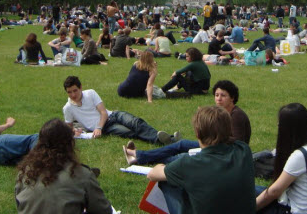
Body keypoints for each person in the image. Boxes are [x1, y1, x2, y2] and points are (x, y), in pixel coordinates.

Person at [147, 105, 256, 214]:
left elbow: (152, 175)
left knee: (167, 181)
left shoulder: (187, 165)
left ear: (197, 133)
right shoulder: (243, 150)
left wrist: (164, 167)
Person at [124, 80, 252, 166]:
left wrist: (212, 140)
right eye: (217, 95)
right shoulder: (222, 112)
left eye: (223, 95)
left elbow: (238, 143)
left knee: (182, 158)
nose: (218, 98)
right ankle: (139, 155)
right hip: (217, 148)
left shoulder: (236, 116)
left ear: (233, 97)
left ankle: (138, 158)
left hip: (227, 157)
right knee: (182, 144)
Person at [15, 118, 112, 214]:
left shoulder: (25, 171)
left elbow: (20, 205)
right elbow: (104, 210)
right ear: (70, 144)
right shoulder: (82, 174)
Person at [255, 103, 307, 213]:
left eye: (280, 125)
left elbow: (274, 191)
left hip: (293, 210)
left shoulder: (300, 156)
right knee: (250, 190)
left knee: (244, 195)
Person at [62, 76, 175, 144]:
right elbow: (68, 128)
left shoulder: (90, 93)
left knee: (135, 122)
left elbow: (103, 112)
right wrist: (74, 131)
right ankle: (165, 140)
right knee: (130, 132)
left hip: (112, 115)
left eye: (75, 90)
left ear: (81, 87)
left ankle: (166, 139)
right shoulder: (68, 108)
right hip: (107, 127)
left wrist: (98, 127)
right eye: (69, 92)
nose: (73, 94)